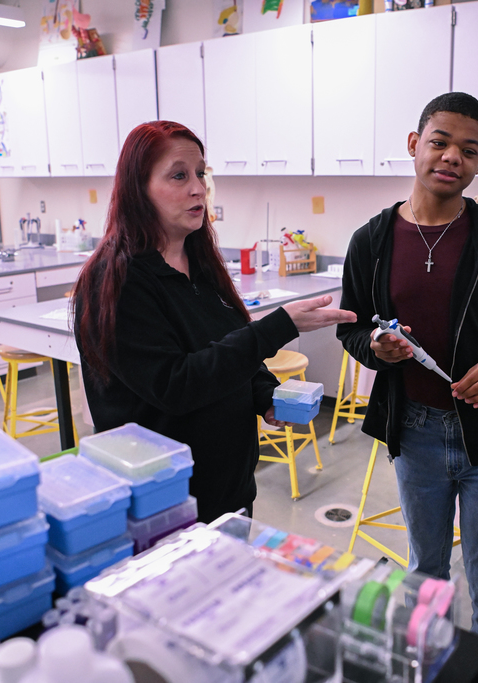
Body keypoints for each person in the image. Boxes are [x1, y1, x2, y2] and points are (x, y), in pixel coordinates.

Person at [336, 92, 478, 663]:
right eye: (441, 141)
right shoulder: (371, 241)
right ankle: (423, 672)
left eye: (469, 150)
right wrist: (376, 347)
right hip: (417, 434)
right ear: (415, 144)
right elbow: (350, 329)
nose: (453, 156)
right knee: (424, 575)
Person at [72, 121, 354, 524]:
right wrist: (278, 327)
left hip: (229, 489)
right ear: (138, 187)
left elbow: (227, 347)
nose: (198, 188)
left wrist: (264, 394)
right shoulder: (117, 280)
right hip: (166, 502)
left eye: (201, 174)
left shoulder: (199, 264)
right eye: (179, 175)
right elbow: (176, 385)